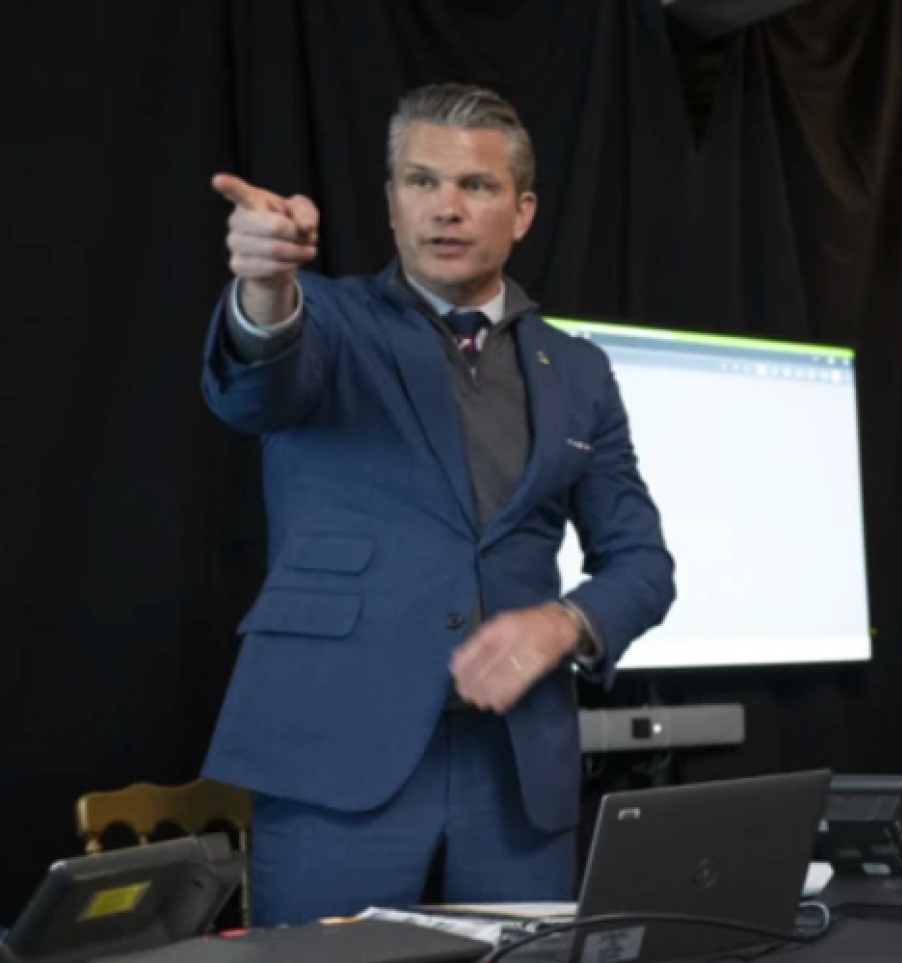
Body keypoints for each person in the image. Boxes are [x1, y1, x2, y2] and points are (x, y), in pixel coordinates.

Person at [199, 83, 676, 924]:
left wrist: (565, 622)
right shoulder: (327, 319)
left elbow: (642, 562)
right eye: (421, 181)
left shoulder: (579, 370)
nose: (445, 207)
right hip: (336, 750)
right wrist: (265, 287)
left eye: (476, 185)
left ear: (522, 212)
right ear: (391, 203)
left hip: (516, 770)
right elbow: (255, 387)